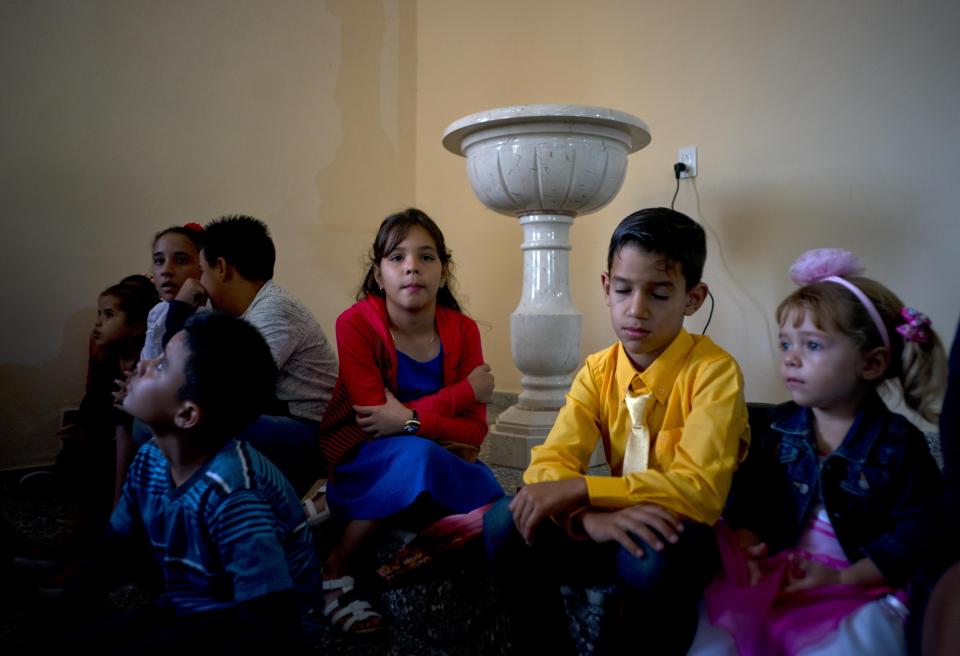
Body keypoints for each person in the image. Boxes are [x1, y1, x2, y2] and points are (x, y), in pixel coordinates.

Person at [483, 207, 750, 654]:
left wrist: (586, 491)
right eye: (624, 290)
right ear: (606, 287)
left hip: (680, 535)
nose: (637, 310)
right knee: (503, 521)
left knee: (648, 556)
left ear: (693, 298)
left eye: (660, 294)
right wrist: (590, 519)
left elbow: (698, 491)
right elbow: (547, 468)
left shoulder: (714, 372)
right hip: (607, 528)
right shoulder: (597, 370)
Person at [715, 248, 946, 656]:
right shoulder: (774, 428)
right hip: (785, 574)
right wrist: (748, 545)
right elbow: (748, 501)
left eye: (813, 345)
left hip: (861, 583)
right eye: (786, 343)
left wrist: (845, 580)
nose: (791, 357)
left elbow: (919, 535)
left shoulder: (898, 443)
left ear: (870, 364)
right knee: (717, 641)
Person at [62, 312, 322, 651]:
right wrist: (69, 604)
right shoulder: (151, 458)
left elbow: (269, 622)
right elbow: (115, 547)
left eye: (160, 365)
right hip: (194, 603)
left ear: (187, 414)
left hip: (257, 631)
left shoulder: (234, 493)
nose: (142, 365)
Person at [315, 208, 503, 634]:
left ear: (443, 271)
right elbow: (373, 421)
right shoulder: (356, 323)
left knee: (492, 496)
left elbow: (473, 432)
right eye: (396, 257)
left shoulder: (464, 330)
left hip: (440, 451)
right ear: (379, 276)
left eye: (426, 257)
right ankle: (335, 569)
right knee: (417, 460)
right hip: (365, 453)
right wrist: (465, 393)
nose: (412, 266)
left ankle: (412, 564)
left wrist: (411, 420)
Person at [158, 215, 337, 495]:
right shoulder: (238, 314)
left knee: (192, 424)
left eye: (202, 271)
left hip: (310, 432)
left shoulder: (275, 310)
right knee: (161, 422)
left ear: (221, 268)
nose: (199, 283)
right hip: (275, 418)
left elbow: (223, 385)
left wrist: (180, 310)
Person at [58, 279, 158, 533]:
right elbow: (95, 409)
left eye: (109, 315)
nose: (98, 322)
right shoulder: (107, 363)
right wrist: (80, 427)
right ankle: (93, 518)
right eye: (99, 314)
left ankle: (114, 518)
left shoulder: (147, 368)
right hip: (109, 443)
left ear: (137, 327)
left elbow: (126, 427)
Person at [121, 224, 206, 494]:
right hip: (165, 399)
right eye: (159, 261)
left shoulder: (209, 313)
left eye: (180, 260)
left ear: (203, 266)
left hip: (194, 406)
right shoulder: (158, 312)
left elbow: (181, 374)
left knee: (144, 424)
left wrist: (181, 308)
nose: (165, 270)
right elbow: (150, 364)